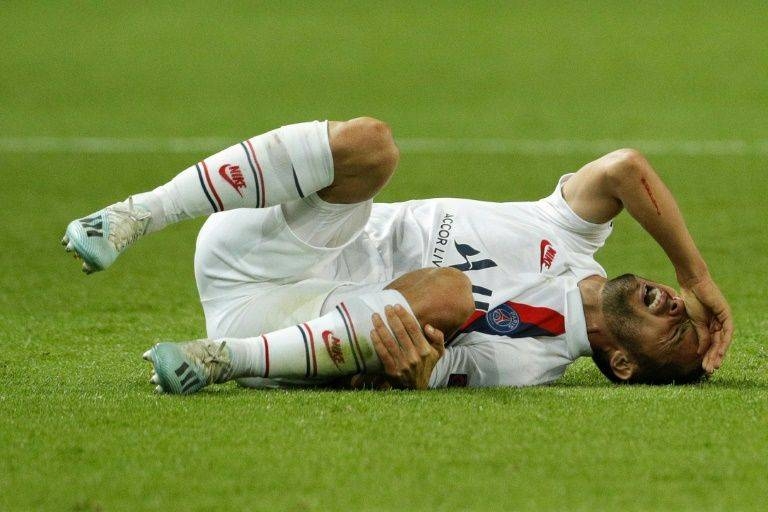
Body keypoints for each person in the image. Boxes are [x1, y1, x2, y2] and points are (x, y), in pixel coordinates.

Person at [62, 117, 733, 393]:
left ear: (621, 361)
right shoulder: (574, 234)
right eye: (685, 311)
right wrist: (697, 276)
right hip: (258, 247)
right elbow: (623, 168)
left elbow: (417, 364)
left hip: (286, 326)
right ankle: (129, 217)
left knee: (447, 296)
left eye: (675, 330)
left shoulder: (533, 359)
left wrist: (411, 369)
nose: (676, 307)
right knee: (372, 145)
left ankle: (216, 360)